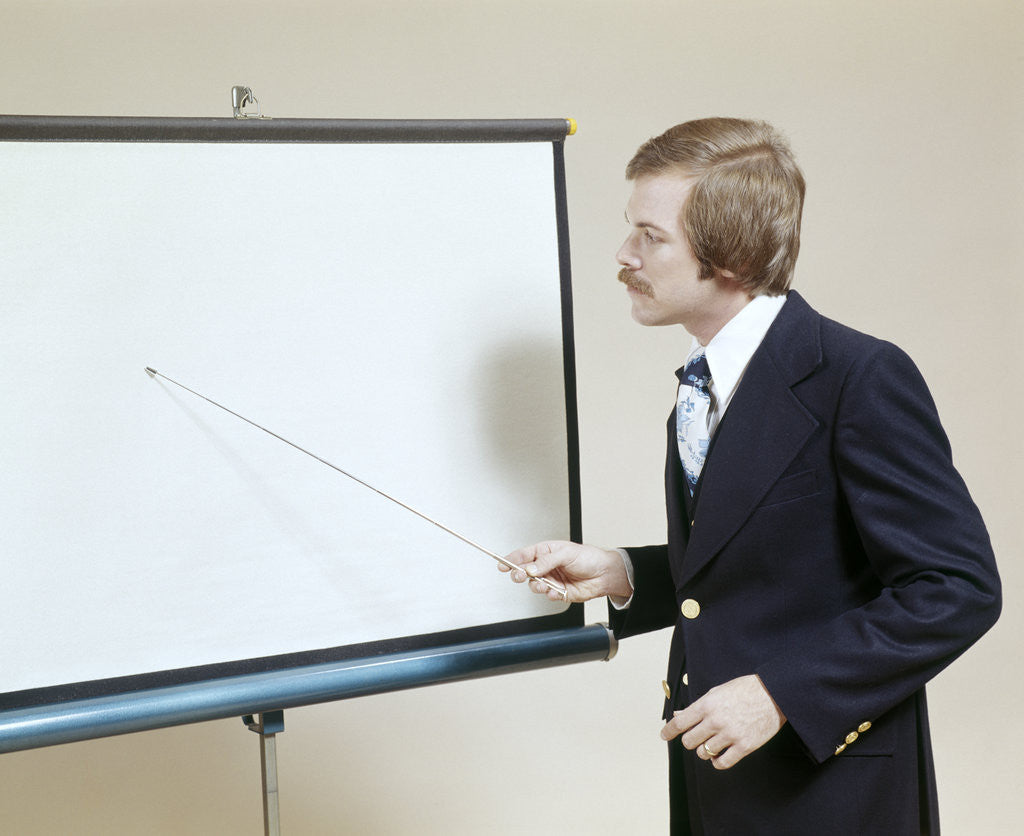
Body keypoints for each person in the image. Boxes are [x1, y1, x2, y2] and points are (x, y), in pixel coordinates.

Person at [501, 117, 1001, 835]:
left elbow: (957, 589)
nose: (623, 254)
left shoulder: (860, 377)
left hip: (832, 794)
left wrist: (780, 695)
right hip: (719, 789)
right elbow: (768, 568)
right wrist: (623, 572)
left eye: (651, 235)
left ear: (728, 255)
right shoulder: (702, 383)